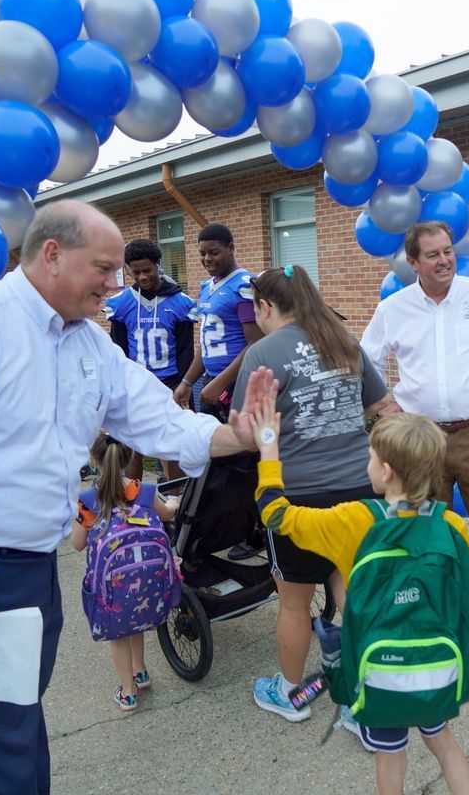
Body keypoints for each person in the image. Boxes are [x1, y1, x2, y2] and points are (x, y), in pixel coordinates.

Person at [0, 199, 274, 795]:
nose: (117, 284)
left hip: (28, 564)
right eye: (104, 269)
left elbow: (153, 416)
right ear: (52, 256)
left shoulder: (86, 341)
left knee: (15, 717)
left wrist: (231, 436)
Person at [249, 396, 469, 795]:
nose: (368, 466)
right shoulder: (451, 525)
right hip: (435, 666)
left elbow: (275, 513)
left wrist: (269, 446)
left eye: (370, 459)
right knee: (445, 746)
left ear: (387, 471)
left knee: (390, 757)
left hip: (381, 673)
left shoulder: (354, 520)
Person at [360, 220, 469, 656]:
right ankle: (433, 610)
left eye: (448, 251)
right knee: (422, 530)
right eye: (434, 254)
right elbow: (365, 359)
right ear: (414, 262)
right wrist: (384, 404)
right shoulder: (395, 308)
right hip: (419, 442)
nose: (444, 260)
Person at [231, 264, 391, 722]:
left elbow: (245, 433)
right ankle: (366, 700)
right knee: (349, 589)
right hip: (360, 489)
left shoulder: (262, 353)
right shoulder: (344, 341)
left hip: (295, 497)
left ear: (264, 306)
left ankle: (289, 693)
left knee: (294, 601)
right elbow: (379, 403)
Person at [71, 432, 178, 714]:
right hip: (146, 581)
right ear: (129, 457)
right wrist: (174, 504)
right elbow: (166, 514)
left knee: (118, 634)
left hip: (113, 589)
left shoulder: (88, 500)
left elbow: (77, 544)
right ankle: (140, 672)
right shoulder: (143, 491)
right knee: (137, 623)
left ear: (93, 460)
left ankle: (128, 692)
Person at [174, 222, 264, 559]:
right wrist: (187, 381)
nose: (207, 259)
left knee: (246, 462)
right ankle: (227, 526)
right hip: (212, 385)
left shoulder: (243, 285)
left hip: (237, 387)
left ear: (231, 247)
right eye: (202, 254)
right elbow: (204, 345)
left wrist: (220, 382)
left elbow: (256, 343)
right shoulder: (206, 287)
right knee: (220, 463)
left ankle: (256, 532)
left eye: (214, 251)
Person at [105, 237, 196, 484]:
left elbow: (186, 349)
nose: (142, 277)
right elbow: (118, 348)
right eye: (136, 272)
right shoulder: (122, 303)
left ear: (158, 265)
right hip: (136, 383)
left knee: (171, 443)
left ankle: (175, 499)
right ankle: (132, 501)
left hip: (169, 381)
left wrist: (183, 384)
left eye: (147, 270)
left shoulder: (179, 302)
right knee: (133, 444)